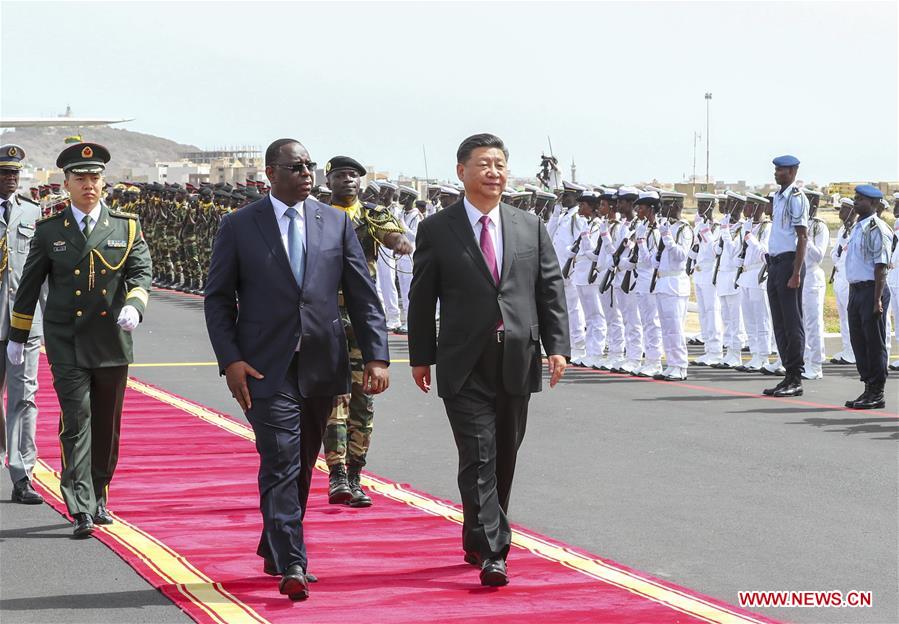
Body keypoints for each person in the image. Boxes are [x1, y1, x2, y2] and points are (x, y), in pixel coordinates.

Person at [204, 139, 389, 601]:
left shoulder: (336, 223)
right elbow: (218, 299)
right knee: (281, 457)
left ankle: (274, 544)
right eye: (296, 166)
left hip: (322, 361)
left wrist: (377, 356)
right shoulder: (239, 225)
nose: (307, 173)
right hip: (264, 366)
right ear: (271, 173)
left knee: (304, 460)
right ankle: (293, 560)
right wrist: (230, 360)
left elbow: (363, 295)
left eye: (310, 165)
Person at [408, 133, 569, 587]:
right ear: (462, 171)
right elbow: (422, 297)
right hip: (462, 360)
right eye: (484, 164)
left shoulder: (528, 225)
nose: (494, 172)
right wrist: (420, 356)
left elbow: (549, 289)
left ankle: (477, 535)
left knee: (503, 457)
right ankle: (495, 552)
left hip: (516, 355)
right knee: (478, 454)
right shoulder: (437, 229)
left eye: (500, 164)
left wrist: (557, 346)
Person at [7, 143, 152, 536]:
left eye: (95, 177)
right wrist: (18, 336)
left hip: (111, 341)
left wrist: (135, 305)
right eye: (81, 178)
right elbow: (29, 287)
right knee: (77, 419)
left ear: (104, 182)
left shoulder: (126, 227)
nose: (89, 184)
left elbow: (141, 272)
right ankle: (81, 504)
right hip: (66, 340)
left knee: (107, 425)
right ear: (66, 183)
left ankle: (99, 493)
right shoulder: (50, 230)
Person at [322, 155, 409, 507]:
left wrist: (398, 242)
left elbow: (391, 234)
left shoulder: (372, 215)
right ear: (328, 181)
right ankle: (337, 475)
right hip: (326, 315)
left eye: (354, 176)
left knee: (363, 398)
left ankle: (356, 473)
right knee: (334, 397)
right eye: (341, 175)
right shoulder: (317, 216)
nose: (349, 180)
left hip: (361, 316)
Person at [0, 144, 46, 505]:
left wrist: (52, 321)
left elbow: (42, 273)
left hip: (24, 322)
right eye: (4, 172)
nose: (11, 178)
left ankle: (22, 474)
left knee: (24, 398)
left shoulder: (33, 212)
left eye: (15, 173)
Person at [763, 155, 809, 397]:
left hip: (789, 264)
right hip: (775, 264)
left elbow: (802, 236)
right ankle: (787, 373)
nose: (776, 173)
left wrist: (796, 272)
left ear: (792, 171)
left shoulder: (795, 198)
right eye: (775, 169)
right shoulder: (778, 197)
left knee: (792, 323)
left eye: (780, 169)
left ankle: (796, 377)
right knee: (779, 323)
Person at [842, 185, 892, 409]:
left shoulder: (877, 228)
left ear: (873, 203)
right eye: (855, 198)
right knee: (859, 341)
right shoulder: (857, 227)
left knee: (874, 343)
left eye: (860, 199)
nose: (855, 202)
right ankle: (868, 387)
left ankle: (877, 392)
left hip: (872, 290)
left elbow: (881, 266)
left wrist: (877, 299)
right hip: (856, 291)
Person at [690, 193, 724, 366]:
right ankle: (708, 350)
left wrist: (705, 232)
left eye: (704, 204)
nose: (700, 207)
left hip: (711, 273)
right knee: (703, 313)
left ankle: (716, 351)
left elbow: (715, 251)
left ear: (712, 206)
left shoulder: (718, 228)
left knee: (713, 312)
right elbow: (694, 250)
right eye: (699, 204)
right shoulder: (698, 226)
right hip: (699, 273)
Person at [800, 189, 830, 379]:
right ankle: (804, 361)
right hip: (799, 276)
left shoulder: (820, 227)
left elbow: (818, 255)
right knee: (801, 323)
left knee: (813, 324)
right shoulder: (799, 223)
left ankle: (816, 365)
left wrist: (806, 238)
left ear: (814, 204)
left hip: (812, 277)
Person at [830, 198, 857, 365]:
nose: (840, 212)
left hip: (848, 279)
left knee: (850, 317)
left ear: (852, 212)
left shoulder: (856, 230)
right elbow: (834, 254)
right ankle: (847, 349)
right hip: (839, 278)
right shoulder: (842, 229)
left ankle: (853, 352)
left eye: (844, 209)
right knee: (843, 318)